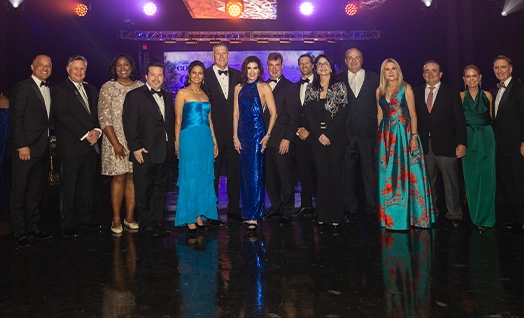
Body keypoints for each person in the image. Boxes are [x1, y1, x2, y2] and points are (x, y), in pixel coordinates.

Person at [375, 58, 435, 230]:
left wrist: (414, 137)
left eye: (394, 68)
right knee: (387, 175)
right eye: (387, 69)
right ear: (383, 72)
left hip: (404, 134)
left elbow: (413, 114)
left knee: (407, 174)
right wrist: (379, 138)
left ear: (398, 70)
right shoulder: (378, 90)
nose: (391, 72)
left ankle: (414, 217)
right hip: (385, 137)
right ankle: (389, 217)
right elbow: (379, 116)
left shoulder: (406, 88)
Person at [52, 55, 103, 238]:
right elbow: (63, 115)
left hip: (91, 146)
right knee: (69, 186)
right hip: (71, 146)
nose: (79, 72)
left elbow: (97, 114)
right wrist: (86, 134)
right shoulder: (59, 89)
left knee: (87, 185)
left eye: (82, 69)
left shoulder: (91, 89)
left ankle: (85, 218)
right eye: (75, 68)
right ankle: (67, 222)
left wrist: (97, 130)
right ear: (68, 69)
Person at [123, 62, 174, 236]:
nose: (156, 78)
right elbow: (129, 124)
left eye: (160, 75)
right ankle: (146, 223)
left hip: (164, 151)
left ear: (163, 77)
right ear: (146, 76)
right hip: (144, 151)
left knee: (160, 189)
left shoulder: (167, 96)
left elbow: (169, 123)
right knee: (144, 189)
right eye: (153, 74)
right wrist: (135, 147)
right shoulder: (134, 96)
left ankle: (158, 221)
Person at [413, 60, 467, 228]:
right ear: (423, 74)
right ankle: (430, 212)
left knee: (450, 182)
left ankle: (454, 214)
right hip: (424, 146)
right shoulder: (415, 92)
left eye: (434, 70)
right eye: (427, 71)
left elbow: (459, 120)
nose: (430, 74)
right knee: (427, 181)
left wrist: (461, 143)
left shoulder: (451, 93)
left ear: (440, 74)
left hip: (446, 144)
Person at [8, 55, 53, 247]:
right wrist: (21, 145)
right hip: (25, 149)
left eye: (48, 65)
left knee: (35, 190)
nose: (45, 68)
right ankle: (19, 231)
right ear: (32, 67)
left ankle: (33, 226)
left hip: (42, 149)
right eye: (41, 64)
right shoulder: (22, 87)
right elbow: (15, 119)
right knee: (19, 191)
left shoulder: (49, 88)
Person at [98, 54, 143, 234]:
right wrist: (116, 143)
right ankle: (116, 218)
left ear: (132, 66)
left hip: (136, 141)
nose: (123, 68)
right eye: (118, 65)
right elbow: (104, 117)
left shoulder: (140, 87)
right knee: (119, 177)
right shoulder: (108, 87)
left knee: (133, 177)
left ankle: (129, 217)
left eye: (126, 64)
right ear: (114, 68)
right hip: (114, 139)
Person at [304, 54, 348, 234]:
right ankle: (322, 215)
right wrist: (319, 135)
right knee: (321, 177)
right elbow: (308, 114)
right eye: (320, 64)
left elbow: (343, 113)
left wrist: (328, 134)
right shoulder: (311, 88)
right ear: (316, 68)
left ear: (331, 67)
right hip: (317, 138)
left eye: (326, 64)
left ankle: (337, 216)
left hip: (336, 138)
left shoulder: (340, 87)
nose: (322, 67)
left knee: (336, 175)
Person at [174, 60, 219, 236]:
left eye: (200, 73)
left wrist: (214, 141)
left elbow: (210, 121)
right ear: (189, 74)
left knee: (203, 178)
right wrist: (177, 143)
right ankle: (189, 217)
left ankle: (198, 214)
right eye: (194, 72)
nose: (197, 76)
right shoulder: (182, 93)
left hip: (205, 139)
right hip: (189, 139)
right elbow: (178, 120)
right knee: (190, 176)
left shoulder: (205, 95)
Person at [233, 55, 277, 234]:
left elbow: (274, 114)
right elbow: (235, 114)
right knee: (245, 175)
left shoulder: (264, 87)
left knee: (256, 174)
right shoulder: (238, 88)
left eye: (255, 68)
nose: (252, 71)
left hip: (258, 135)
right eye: (249, 68)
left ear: (259, 70)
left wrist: (267, 135)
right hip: (242, 135)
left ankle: (254, 215)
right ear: (245, 70)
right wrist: (235, 137)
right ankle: (248, 212)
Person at [336, 48, 379, 222]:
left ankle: (372, 207)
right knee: (347, 174)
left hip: (368, 133)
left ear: (362, 60)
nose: (353, 61)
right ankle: (350, 207)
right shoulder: (337, 79)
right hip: (346, 134)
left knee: (370, 174)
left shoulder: (375, 78)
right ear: (345, 60)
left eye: (357, 58)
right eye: (350, 58)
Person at [204, 43, 243, 225]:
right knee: (213, 175)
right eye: (217, 54)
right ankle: (212, 213)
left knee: (235, 174)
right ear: (212, 56)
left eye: (223, 53)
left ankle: (234, 210)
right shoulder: (203, 76)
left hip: (235, 133)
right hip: (213, 133)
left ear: (228, 55)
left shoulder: (237, 75)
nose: (220, 56)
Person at [262, 52, 296, 227]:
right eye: (271, 65)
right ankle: (275, 206)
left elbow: (293, 116)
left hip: (281, 139)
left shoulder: (290, 87)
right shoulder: (261, 86)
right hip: (264, 141)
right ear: (267, 67)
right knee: (268, 177)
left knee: (285, 177)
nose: (274, 68)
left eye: (277, 65)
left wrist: (287, 139)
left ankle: (287, 210)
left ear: (282, 66)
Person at [490, 55, 524, 230]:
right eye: (496, 67)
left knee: (520, 183)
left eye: (503, 67)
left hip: (517, 145)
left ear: (510, 69)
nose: (499, 70)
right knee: (508, 183)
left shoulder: (519, 89)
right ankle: (518, 217)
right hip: (500, 147)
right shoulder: (493, 91)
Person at [460, 65, 496, 231]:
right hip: (468, 138)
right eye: (468, 76)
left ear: (480, 77)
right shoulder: (460, 96)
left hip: (487, 137)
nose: (471, 79)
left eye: (474, 76)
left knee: (487, 177)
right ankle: (476, 215)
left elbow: (491, 118)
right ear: (464, 79)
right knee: (472, 177)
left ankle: (487, 218)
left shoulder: (488, 95)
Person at [293, 54, 316, 218]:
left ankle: (322, 207)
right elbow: (291, 113)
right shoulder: (294, 87)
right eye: (301, 63)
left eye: (307, 63)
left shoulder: (322, 84)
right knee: (304, 172)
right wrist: (297, 130)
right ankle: (306, 206)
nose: (304, 65)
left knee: (321, 173)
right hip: (299, 137)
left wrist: (310, 132)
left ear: (312, 65)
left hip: (317, 136)